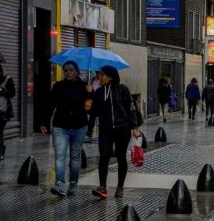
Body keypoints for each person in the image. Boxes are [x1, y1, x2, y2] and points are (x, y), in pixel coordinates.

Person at [89, 65, 140, 199]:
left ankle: (120, 187)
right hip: (105, 130)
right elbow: (94, 112)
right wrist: (90, 96)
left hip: (122, 129)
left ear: (110, 77)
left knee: (121, 157)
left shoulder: (122, 89)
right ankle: (102, 187)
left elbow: (131, 108)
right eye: (99, 75)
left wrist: (134, 127)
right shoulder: (99, 92)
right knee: (104, 156)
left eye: (102, 75)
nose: (100, 77)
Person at [41, 61, 89, 196]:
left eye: (71, 70)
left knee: (75, 157)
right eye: (66, 70)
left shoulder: (84, 86)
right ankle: (59, 184)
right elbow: (50, 105)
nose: (68, 72)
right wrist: (44, 122)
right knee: (60, 156)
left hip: (79, 126)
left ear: (77, 72)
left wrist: (91, 94)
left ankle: (73, 182)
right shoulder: (58, 86)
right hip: (60, 126)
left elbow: (90, 107)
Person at [87, 71, 102, 139]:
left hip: (99, 102)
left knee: (100, 118)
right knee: (92, 117)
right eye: (96, 73)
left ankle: (101, 132)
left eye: (98, 73)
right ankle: (89, 132)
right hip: (93, 101)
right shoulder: (93, 79)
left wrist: (92, 90)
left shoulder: (102, 81)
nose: (97, 74)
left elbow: (100, 92)